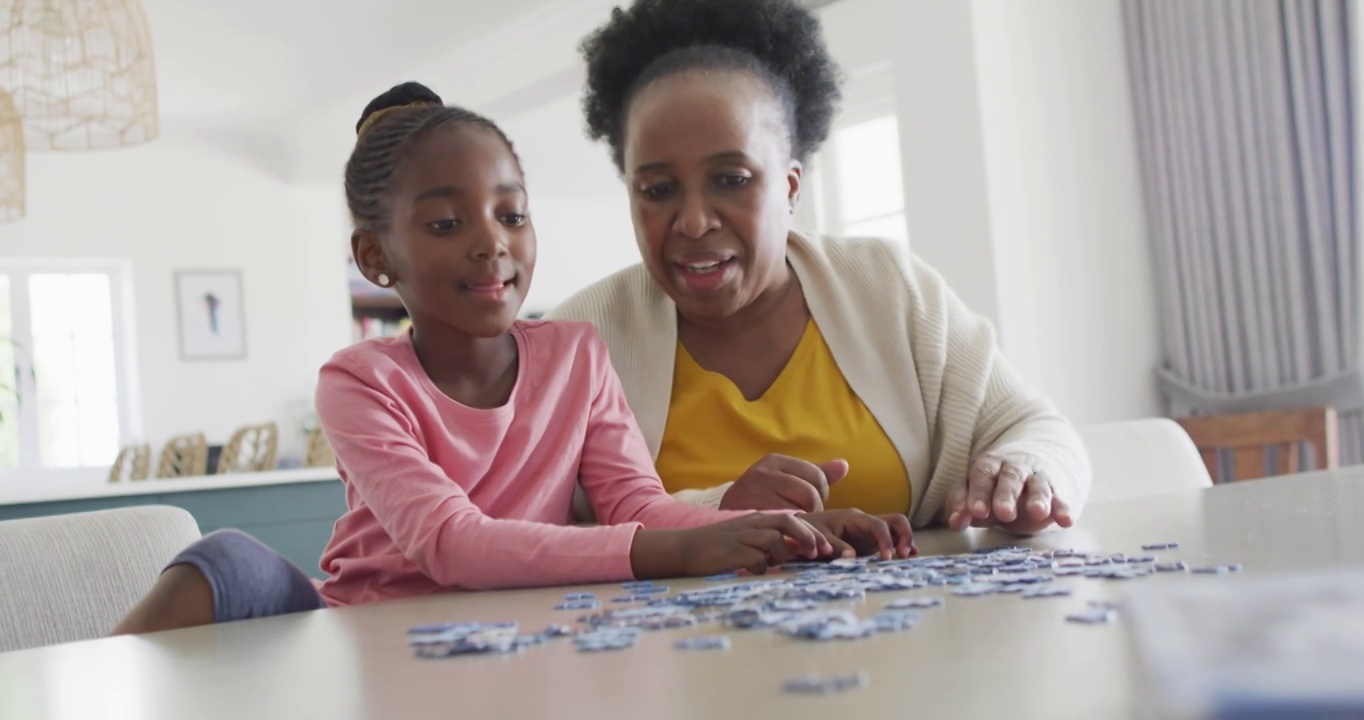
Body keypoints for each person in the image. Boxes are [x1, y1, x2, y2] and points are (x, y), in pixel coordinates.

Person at [112, 82, 913, 635]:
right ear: (374, 256)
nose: (491, 241)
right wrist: (679, 548)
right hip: (361, 634)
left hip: (522, 630)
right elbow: (452, 543)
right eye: (444, 224)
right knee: (224, 561)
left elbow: (639, 504)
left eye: (511, 213)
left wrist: (771, 529)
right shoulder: (360, 382)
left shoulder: (575, 353)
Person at [548, 0, 1091, 535]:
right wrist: (718, 510)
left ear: (789, 187)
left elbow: (1032, 427)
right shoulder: (575, 341)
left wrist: (1022, 475)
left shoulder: (887, 286)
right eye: (659, 190)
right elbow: (517, 529)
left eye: (732, 179)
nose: (692, 222)